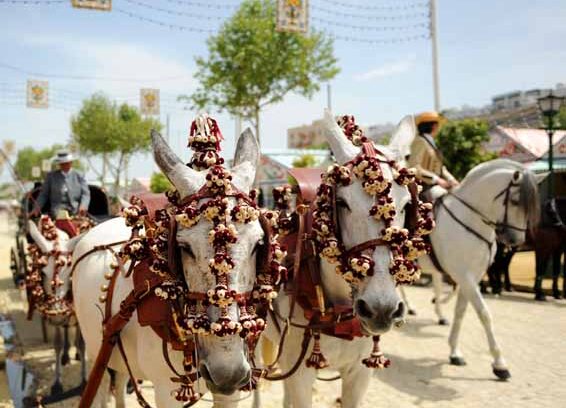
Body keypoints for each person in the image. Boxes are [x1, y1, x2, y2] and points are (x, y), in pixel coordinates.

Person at [408, 111, 459, 200]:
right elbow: (414, 167)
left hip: (434, 185)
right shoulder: (420, 141)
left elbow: (440, 167)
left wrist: (451, 180)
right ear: (434, 126)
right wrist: (437, 179)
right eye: (438, 125)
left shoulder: (429, 142)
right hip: (423, 187)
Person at [31, 151, 90, 220]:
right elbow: (44, 194)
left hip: (75, 211)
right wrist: (37, 208)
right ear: (59, 164)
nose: (64, 165)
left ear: (71, 163)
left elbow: (85, 194)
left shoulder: (79, 175)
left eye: (66, 163)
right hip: (57, 211)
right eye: (62, 164)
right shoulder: (51, 176)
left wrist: (83, 206)